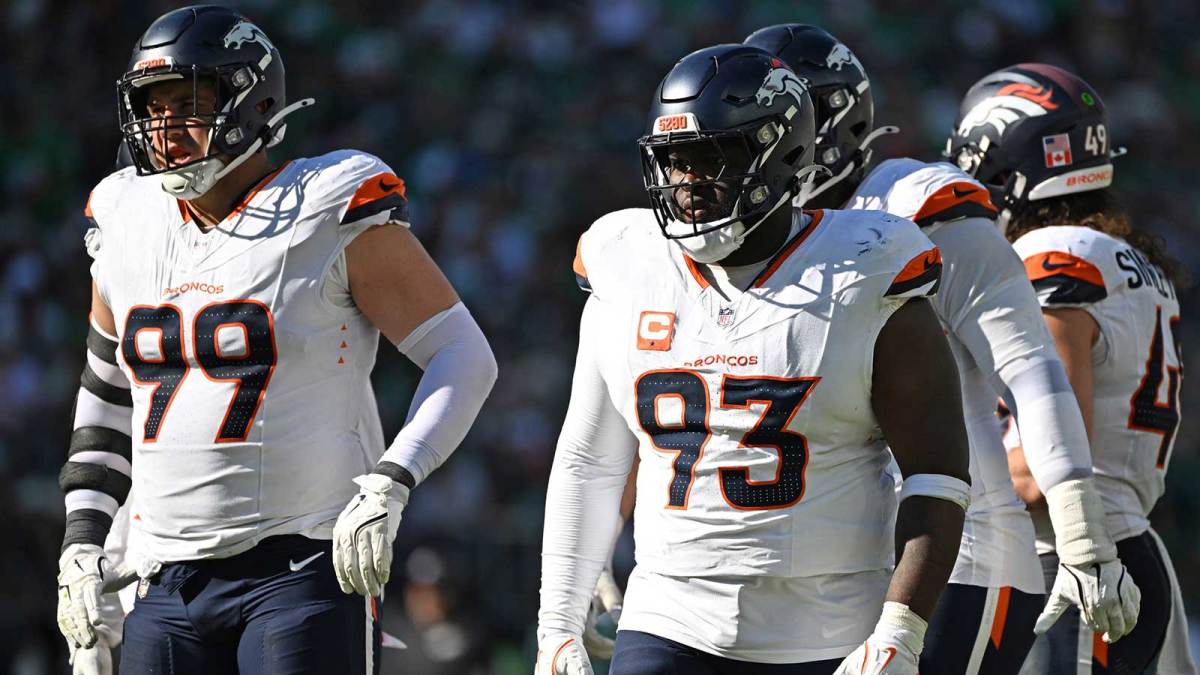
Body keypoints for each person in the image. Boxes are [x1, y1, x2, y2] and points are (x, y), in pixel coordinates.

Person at [54, 6, 497, 674]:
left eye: (188, 102)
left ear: (251, 100)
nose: (165, 126)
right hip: (162, 577)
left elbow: (464, 355)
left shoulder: (325, 205)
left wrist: (391, 482)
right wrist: (83, 543)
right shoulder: (123, 216)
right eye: (152, 106)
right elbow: (107, 390)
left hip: (299, 568)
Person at [537, 43, 971, 675]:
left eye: (709, 157)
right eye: (674, 162)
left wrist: (899, 631)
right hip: (668, 617)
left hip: (830, 628)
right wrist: (557, 625)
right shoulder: (625, 260)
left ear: (784, 153)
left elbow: (937, 473)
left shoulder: (866, 270)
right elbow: (589, 462)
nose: (687, 184)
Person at [742, 25, 1141, 674]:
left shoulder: (915, 205)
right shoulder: (767, 252)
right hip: (850, 571)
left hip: (965, 561)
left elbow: (1032, 369)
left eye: (763, 135)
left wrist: (1084, 536)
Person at [945, 62, 1196, 674]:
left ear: (1009, 164)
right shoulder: (1123, 258)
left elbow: (1045, 455)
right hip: (1124, 549)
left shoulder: (1054, 255)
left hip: (1073, 557)